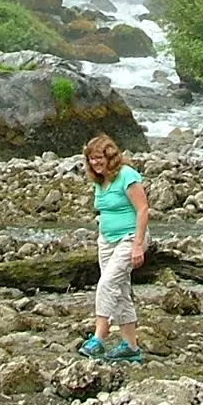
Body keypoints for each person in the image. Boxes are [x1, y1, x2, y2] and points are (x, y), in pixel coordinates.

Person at [77, 132, 147, 362]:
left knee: (107, 283)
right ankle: (130, 347)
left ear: (110, 156)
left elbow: (143, 209)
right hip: (106, 240)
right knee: (120, 291)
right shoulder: (99, 181)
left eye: (99, 158)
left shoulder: (126, 175)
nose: (96, 163)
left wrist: (138, 245)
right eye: (91, 159)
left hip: (129, 238)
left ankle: (98, 337)